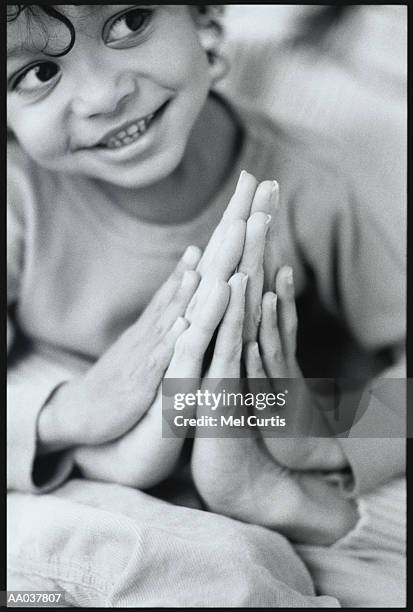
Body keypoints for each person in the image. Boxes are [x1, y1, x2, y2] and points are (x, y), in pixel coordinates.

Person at [7, 5, 405, 605]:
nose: (104, 95)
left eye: (129, 22)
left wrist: (325, 433)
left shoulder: (315, 182)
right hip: (68, 467)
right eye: (36, 74)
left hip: (263, 454)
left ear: (202, 17)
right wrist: (72, 413)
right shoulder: (17, 197)